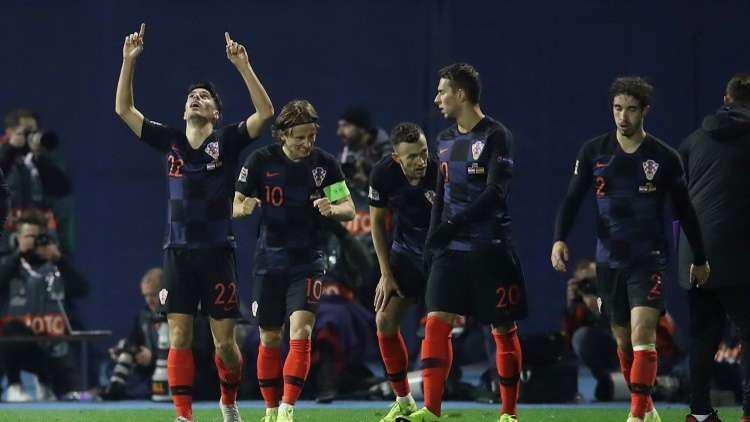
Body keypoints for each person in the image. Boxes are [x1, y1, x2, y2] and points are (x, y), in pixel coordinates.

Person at [114, 23, 274, 422]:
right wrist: (128, 62)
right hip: (178, 254)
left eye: (203, 97)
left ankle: (228, 403)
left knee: (225, 346)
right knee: (179, 338)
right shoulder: (169, 140)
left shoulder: (229, 140)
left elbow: (266, 113)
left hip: (218, 254)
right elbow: (123, 110)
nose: (196, 100)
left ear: (215, 112)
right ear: (184, 110)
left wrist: (243, 66)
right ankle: (183, 415)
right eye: (191, 97)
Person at [550, 76, 710, 422]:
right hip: (609, 261)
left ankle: (636, 415)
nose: (623, 117)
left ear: (645, 112)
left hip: (649, 259)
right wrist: (559, 238)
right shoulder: (594, 151)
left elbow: (685, 210)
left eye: (631, 110)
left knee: (643, 333)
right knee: (623, 341)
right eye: (617, 108)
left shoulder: (664, 157)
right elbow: (573, 199)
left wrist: (699, 256)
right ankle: (647, 405)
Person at [398, 63, 527, 422]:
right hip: (450, 252)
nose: (437, 98)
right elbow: (441, 193)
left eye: (442, 91)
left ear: (461, 94)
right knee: (436, 321)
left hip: (491, 248)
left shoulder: (497, 136)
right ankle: (431, 411)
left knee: (501, 328)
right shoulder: (444, 140)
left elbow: (496, 193)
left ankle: (509, 413)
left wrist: (452, 224)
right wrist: (432, 239)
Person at [233, 99, 355, 422]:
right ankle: (271, 410)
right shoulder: (259, 161)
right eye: (300, 137)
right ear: (282, 134)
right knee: (270, 337)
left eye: (312, 136)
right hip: (269, 261)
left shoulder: (325, 164)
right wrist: (244, 208)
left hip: (308, 262)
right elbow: (237, 204)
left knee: (301, 331)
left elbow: (349, 209)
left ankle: (287, 409)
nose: (307, 144)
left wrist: (334, 209)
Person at [679, 73, 750, 422]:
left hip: (695, 254)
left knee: (704, 335)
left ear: (726, 98)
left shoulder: (694, 139)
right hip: (739, 253)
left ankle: (700, 413)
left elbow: (676, 195)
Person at [368, 122, 437, 421]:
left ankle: (431, 410)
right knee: (384, 319)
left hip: (441, 257)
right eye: (412, 157)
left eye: (424, 153)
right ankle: (404, 400)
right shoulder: (383, 174)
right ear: (397, 157)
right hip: (406, 254)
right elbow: (376, 225)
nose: (421, 162)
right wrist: (386, 273)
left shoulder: (441, 172)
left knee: (437, 325)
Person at [0, 214, 89, 401]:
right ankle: (15, 385)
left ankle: (45, 383)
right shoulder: (9, 265)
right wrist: (18, 254)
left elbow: (82, 289)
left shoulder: (55, 265)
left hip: (53, 347)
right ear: (17, 238)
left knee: (73, 396)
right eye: (28, 237)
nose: (33, 242)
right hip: (19, 348)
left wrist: (59, 259)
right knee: (10, 331)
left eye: (37, 236)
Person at [101, 268, 163, 400]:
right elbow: (132, 341)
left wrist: (153, 358)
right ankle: (115, 387)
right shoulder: (143, 315)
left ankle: (116, 388)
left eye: (153, 294)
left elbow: (194, 353)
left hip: (174, 373)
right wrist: (120, 350)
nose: (148, 300)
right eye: (145, 295)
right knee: (122, 353)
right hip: (149, 371)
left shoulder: (179, 316)